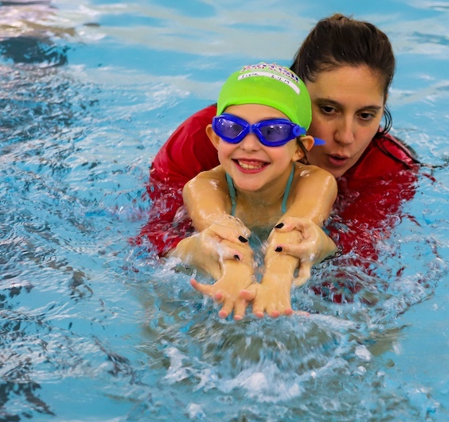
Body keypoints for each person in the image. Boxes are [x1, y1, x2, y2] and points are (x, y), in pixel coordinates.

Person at [138, 13, 421, 307]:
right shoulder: (206, 140)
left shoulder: (388, 168)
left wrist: (286, 269)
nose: (346, 137)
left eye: (366, 115)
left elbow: (356, 272)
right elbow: (151, 239)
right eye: (327, 109)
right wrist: (192, 251)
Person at [169, 63, 337, 320]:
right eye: (232, 128)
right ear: (215, 138)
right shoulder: (202, 186)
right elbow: (221, 234)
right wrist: (236, 273)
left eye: (273, 132)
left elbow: (296, 230)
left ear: (299, 149)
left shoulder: (316, 181)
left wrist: (278, 279)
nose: (248, 145)